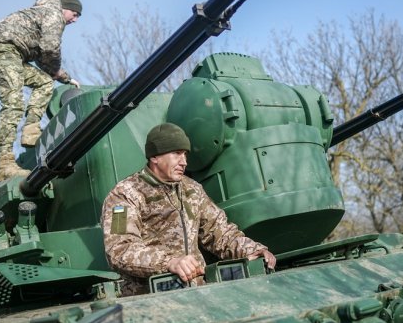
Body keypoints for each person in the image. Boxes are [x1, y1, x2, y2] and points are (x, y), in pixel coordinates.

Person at [101, 123, 276, 296]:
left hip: (198, 293)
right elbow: (119, 250)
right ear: (154, 157)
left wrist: (253, 249)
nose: (184, 162)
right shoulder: (125, 194)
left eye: (185, 154)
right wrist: (169, 262)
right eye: (177, 153)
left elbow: (220, 233)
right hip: (151, 299)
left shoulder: (192, 189)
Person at [0, 0, 83, 181]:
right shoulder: (53, 14)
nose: (74, 20)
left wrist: (64, 77)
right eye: (74, 14)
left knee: (43, 81)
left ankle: (31, 130)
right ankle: (5, 163)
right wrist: (58, 71)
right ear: (63, 8)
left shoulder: (41, 14)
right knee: (13, 102)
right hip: (3, 50)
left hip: (10, 53)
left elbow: (44, 58)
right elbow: (50, 48)